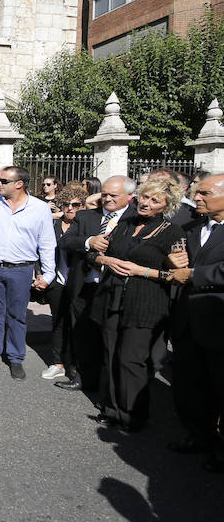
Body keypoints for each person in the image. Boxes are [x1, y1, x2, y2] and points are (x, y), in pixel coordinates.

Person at [88, 177, 184, 432]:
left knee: (131, 360)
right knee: (109, 355)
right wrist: (104, 260)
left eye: (155, 200)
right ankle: (110, 408)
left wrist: (142, 271)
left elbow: (179, 276)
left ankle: (132, 414)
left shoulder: (172, 233)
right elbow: (96, 254)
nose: (146, 203)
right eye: (144, 197)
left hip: (146, 302)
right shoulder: (125, 224)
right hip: (112, 297)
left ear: (166, 205)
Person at [56, 175, 137, 391]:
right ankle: (83, 377)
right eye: (104, 194)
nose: (108, 199)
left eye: (113, 195)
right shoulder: (86, 217)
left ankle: (108, 385)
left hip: (115, 288)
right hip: (84, 287)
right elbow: (66, 241)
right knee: (82, 334)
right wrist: (88, 242)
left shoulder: (135, 219)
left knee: (111, 339)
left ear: (130, 196)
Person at [167, 173, 224, 473]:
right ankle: (198, 435)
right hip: (188, 319)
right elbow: (181, 261)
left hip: (218, 322)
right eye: (197, 192)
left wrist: (193, 275)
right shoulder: (192, 227)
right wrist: (174, 262)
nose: (197, 197)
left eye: (205, 193)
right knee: (190, 384)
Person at [0, 166, 56, 380]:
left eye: (4, 181)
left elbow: (47, 243)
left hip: (21, 270)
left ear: (19, 184)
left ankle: (15, 358)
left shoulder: (39, 208)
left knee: (17, 315)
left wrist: (48, 274)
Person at [40, 186, 87, 381]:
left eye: (75, 205)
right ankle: (57, 362)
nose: (70, 208)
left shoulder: (85, 226)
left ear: (83, 206)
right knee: (58, 321)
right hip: (57, 280)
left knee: (78, 324)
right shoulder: (54, 226)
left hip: (78, 282)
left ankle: (76, 364)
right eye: (65, 205)